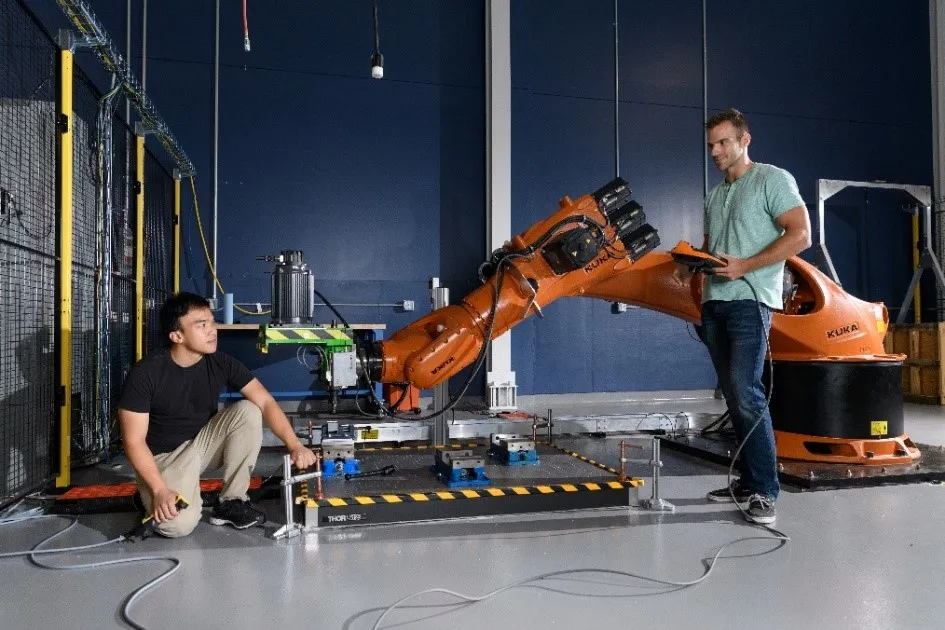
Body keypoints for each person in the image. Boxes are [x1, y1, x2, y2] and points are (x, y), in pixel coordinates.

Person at [675, 108, 811, 525]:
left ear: (744, 140)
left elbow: (801, 235)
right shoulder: (715, 195)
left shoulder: (772, 179)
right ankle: (749, 482)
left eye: (723, 143)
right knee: (734, 397)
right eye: (711, 144)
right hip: (714, 304)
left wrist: (744, 266)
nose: (714, 151)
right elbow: (712, 245)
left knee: (747, 392)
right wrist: (689, 262)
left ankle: (767, 490)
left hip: (750, 303)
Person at [118, 292, 317, 537]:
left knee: (248, 410)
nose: (213, 330)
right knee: (176, 526)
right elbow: (133, 442)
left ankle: (231, 502)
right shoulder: (146, 374)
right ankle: (147, 493)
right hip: (165, 459)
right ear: (177, 335)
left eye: (212, 322)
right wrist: (159, 490)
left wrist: (295, 445)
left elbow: (265, 401)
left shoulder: (220, 362)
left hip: (201, 446)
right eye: (202, 325)